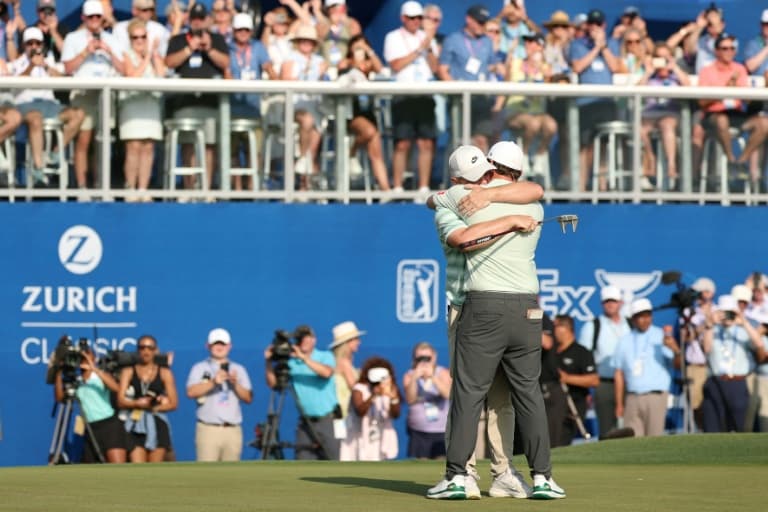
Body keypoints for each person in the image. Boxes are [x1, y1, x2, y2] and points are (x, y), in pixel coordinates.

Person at [427, 140, 564, 500]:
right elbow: (535, 189)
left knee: (468, 393)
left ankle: (460, 476)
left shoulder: (462, 198)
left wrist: (483, 196)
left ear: (490, 167)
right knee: (527, 394)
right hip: (527, 308)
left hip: (481, 305)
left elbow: (435, 202)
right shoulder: (533, 205)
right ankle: (543, 477)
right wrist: (509, 217)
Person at [165, 2, 230, 193]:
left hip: (210, 102)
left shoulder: (217, 39)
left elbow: (225, 62)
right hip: (185, 102)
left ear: (208, 20)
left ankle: (206, 189)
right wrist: (189, 48)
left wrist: (209, 49)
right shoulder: (178, 39)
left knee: (209, 145)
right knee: (188, 145)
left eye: (201, 19)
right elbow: (169, 62)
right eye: (194, 19)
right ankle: (189, 188)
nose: (198, 22)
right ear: (189, 20)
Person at [60, 0, 124, 195]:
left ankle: (100, 186)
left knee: (102, 142)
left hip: (106, 95)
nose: (95, 20)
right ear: (83, 18)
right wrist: (85, 52)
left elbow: (123, 69)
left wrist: (108, 51)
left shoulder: (111, 39)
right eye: (91, 17)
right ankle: (82, 188)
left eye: (98, 16)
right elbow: (67, 68)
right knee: (84, 141)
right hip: (84, 94)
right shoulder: (73, 38)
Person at [10, 27, 85, 185]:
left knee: (78, 114)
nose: (34, 47)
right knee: (36, 118)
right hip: (26, 105)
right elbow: (15, 84)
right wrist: (31, 66)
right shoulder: (17, 63)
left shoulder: (49, 61)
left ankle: (55, 153)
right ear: (24, 45)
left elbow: (63, 80)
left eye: (37, 43)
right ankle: (38, 168)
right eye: (30, 43)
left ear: (42, 45)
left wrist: (44, 66)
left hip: (50, 105)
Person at [383, 1, 439, 201]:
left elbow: (434, 68)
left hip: (425, 95)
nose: (416, 21)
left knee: (426, 143)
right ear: (403, 18)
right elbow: (396, 65)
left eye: (419, 18)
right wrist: (417, 51)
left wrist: (428, 48)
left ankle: (423, 187)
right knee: (402, 143)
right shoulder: (393, 37)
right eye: (412, 18)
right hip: (403, 94)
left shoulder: (427, 38)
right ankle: (398, 186)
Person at [698, 33, 768, 180]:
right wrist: (726, 89)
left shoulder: (739, 69)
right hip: (713, 115)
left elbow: (746, 99)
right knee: (721, 120)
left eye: (732, 48)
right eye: (725, 48)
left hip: (736, 113)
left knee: (764, 124)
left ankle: (741, 161)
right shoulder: (707, 71)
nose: (729, 52)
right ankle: (730, 160)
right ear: (717, 51)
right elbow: (702, 102)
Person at [264, 324, 340, 460]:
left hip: (328, 420)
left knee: (334, 460)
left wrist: (303, 358)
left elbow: (326, 373)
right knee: (303, 461)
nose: (304, 341)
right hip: (305, 423)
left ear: (314, 340)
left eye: (307, 338)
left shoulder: (325, 356)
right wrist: (268, 362)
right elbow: (273, 384)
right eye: (300, 338)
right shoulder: (292, 363)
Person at [567, 9, 621, 191]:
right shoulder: (577, 44)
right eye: (592, 24)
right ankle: (581, 188)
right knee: (584, 146)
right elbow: (577, 67)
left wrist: (603, 47)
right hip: (586, 103)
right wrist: (596, 48)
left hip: (606, 102)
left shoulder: (612, 44)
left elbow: (615, 67)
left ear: (603, 25)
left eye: (598, 24)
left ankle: (602, 187)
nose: (594, 27)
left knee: (603, 145)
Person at [613, 298, 680, 437]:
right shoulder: (624, 340)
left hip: (655, 396)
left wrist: (675, 349)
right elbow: (619, 373)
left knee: (654, 439)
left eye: (648, 315)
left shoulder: (661, 336)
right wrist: (619, 403)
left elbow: (677, 365)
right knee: (631, 440)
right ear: (633, 319)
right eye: (640, 316)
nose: (645, 320)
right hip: (632, 397)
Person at [53, 340, 127, 463]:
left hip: (109, 426)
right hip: (90, 428)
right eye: (81, 357)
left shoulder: (100, 375)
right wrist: (59, 372)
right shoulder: (76, 380)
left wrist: (94, 368)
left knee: (117, 466)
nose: (84, 359)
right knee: (91, 468)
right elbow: (60, 398)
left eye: (87, 354)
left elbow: (117, 388)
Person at [493, 32, 556, 176]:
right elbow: (505, 86)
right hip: (515, 111)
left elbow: (550, 90)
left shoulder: (546, 68)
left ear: (540, 47)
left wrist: (541, 69)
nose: (528, 45)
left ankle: (539, 156)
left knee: (551, 126)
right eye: (526, 42)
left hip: (538, 112)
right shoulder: (515, 63)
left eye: (532, 42)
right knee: (532, 124)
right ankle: (525, 157)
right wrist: (497, 109)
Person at [186, 328, 253, 461]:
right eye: (216, 344)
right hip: (208, 429)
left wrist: (235, 384)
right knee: (207, 471)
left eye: (223, 344)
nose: (219, 347)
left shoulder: (238, 369)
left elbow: (248, 397)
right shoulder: (199, 368)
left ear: (229, 346)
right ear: (208, 346)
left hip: (232, 429)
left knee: (231, 471)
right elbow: (191, 392)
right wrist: (213, 382)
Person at [336, 34, 392, 196]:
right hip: (350, 112)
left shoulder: (369, 64)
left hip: (368, 111)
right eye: (357, 46)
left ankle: (385, 190)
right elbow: (342, 74)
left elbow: (382, 71)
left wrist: (369, 52)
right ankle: (351, 152)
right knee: (369, 132)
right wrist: (355, 64)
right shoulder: (346, 63)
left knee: (376, 152)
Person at [700, 295, 764, 432]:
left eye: (730, 312)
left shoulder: (742, 331)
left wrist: (744, 322)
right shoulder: (712, 330)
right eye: (724, 312)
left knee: (742, 426)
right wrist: (710, 324)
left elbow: (759, 344)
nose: (727, 316)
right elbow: (706, 348)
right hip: (716, 381)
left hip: (738, 382)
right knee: (714, 426)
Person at [437, 5, 496, 153]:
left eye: (484, 22)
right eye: (479, 22)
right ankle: (457, 167)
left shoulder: (487, 41)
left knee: (482, 140)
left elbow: (492, 66)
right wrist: (455, 88)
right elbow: (442, 70)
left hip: (482, 99)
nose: (482, 26)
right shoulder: (453, 40)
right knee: (461, 141)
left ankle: (481, 168)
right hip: (460, 100)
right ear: (469, 19)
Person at [119, 19, 166, 202]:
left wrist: (153, 55)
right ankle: (130, 188)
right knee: (134, 146)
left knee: (148, 146)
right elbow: (132, 76)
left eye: (143, 37)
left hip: (150, 105)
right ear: (130, 39)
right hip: (132, 105)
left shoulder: (153, 56)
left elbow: (161, 74)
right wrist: (146, 58)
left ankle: (143, 188)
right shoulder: (126, 55)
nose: (140, 41)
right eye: (135, 37)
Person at [228, 12, 275, 191]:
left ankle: (253, 188)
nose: (243, 33)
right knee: (232, 151)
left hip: (253, 109)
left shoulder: (258, 47)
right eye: (239, 30)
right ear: (234, 31)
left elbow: (269, 69)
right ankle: (237, 189)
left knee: (254, 150)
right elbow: (225, 72)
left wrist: (281, 85)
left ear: (251, 31)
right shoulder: (227, 48)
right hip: (231, 109)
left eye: (246, 30)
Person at [636, 42, 692, 191]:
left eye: (665, 58)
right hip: (650, 114)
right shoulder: (650, 76)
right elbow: (635, 91)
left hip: (670, 113)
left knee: (667, 125)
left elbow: (689, 86)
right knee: (640, 128)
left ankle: (672, 166)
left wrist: (674, 67)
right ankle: (650, 158)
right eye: (658, 57)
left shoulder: (675, 76)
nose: (662, 62)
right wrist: (648, 72)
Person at [577, 285, 631, 438]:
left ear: (620, 303)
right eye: (607, 301)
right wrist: (587, 390)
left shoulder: (630, 324)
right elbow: (583, 359)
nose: (610, 304)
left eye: (613, 301)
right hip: (605, 383)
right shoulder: (592, 326)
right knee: (607, 430)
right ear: (602, 303)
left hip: (630, 384)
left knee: (631, 429)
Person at [280, 24, 327, 189]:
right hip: (295, 106)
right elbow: (284, 81)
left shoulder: (320, 62)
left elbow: (325, 82)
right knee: (307, 120)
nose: (306, 44)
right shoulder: (290, 59)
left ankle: (304, 182)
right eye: (303, 41)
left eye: (309, 41)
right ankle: (303, 162)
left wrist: (320, 74)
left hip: (316, 106)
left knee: (316, 126)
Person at [117, 335, 177, 463]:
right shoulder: (128, 371)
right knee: (137, 467)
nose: (146, 351)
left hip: (157, 421)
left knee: (155, 468)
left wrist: (154, 406)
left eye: (150, 348)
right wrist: (136, 403)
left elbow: (173, 403)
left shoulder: (164, 372)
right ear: (138, 350)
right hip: (135, 422)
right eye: (142, 347)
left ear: (156, 350)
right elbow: (120, 401)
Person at [340, 357, 401, 461]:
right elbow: (360, 411)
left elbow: (396, 414)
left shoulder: (390, 389)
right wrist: (374, 395)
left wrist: (394, 399)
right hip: (360, 437)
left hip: (381, 437)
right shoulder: (359, 389)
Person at [553, 314, 598, 446]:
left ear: (565, 328)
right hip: (551, 404)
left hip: (573, 405)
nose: (552, 330)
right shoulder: (551, 352)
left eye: (555, 326)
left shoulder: (581, 352)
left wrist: (567, 378)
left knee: (561, 441)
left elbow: (594, 380)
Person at [402, 341, 450, 459]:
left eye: (427, 358)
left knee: (441, 461)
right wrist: (415, 378)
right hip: (419, 432)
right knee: (421, 463)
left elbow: (448, 394)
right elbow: (410, 399)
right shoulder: (409, 375)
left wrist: (432, 376)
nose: (424, 361)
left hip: (441, 430)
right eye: (420, 358)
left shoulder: (443, 372)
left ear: (434, 357)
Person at [329, 320, 365, 419]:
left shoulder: (339, 361)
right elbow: (355, 387)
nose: (359, 342)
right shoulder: (344, 363)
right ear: (348, 342)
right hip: (345, 413)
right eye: (356, 339)